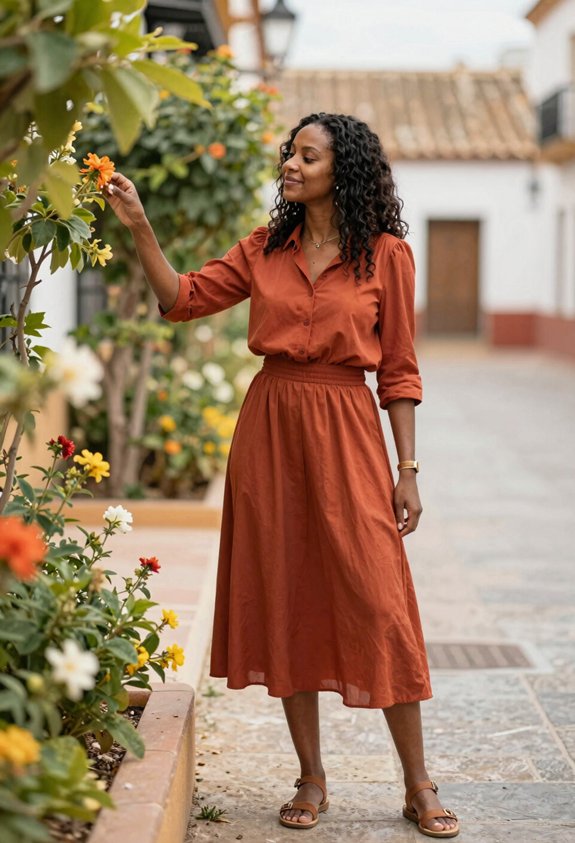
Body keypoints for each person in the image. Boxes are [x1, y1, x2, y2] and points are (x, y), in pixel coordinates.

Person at [105, 112, 459, 839]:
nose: (290, 165)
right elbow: (183, 300)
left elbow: (398, 368)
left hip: (347, 428)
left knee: (379, 596)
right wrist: (139, 224)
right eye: (288, 153)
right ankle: (310, 775)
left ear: (344, 170)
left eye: (308, 155)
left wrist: (408, 468)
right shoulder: (265, 247)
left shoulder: (386, 254)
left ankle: (417, 781)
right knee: (288, 590)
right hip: (269, 428)